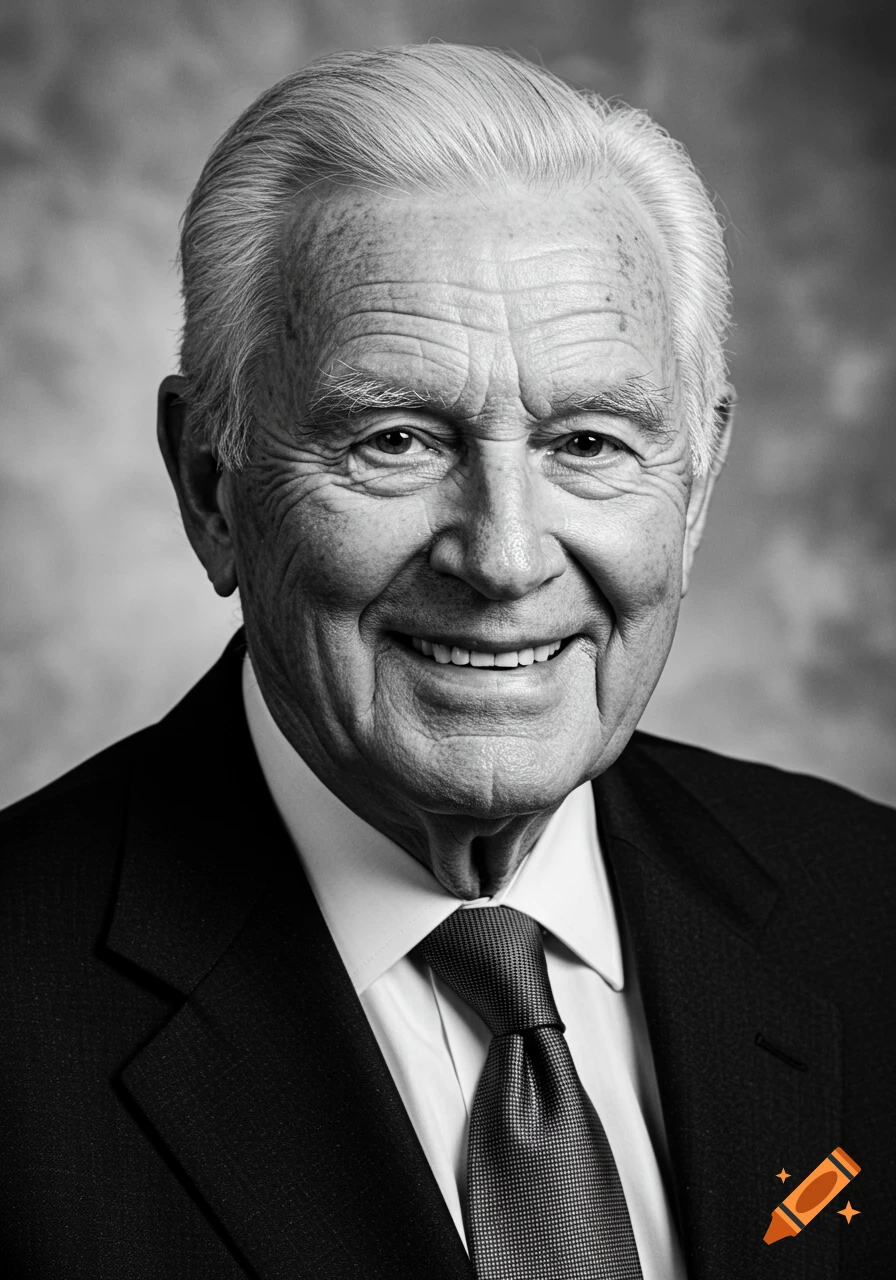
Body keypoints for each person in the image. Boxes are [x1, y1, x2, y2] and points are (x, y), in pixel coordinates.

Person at [0, 43, 892, 1280]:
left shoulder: (868, 908)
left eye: (586, 440)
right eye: (396, 437)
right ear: (212, 485)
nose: (504, 555)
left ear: (692, 487)